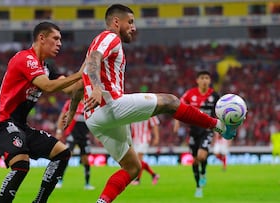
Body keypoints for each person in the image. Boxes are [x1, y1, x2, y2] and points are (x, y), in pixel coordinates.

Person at [64, 4, 238, 203]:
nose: (133, 27)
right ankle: (220, 126)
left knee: (133, 168)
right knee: (171, 101)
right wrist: (96, 87)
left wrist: (71, 112)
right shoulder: (109, 37)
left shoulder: (97, 45)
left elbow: (79, 81)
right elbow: (94, 60)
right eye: (130, 22)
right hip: (109, 105)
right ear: (116, 22)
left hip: (94, 118)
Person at [0, 22, 84, 203]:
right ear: (41, 38)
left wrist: (91, 77)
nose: (60, 43)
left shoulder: (47, 67)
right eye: (55, 38)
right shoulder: (25, 58)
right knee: (21, 164)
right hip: (2, 122)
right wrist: (81, 73)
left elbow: (70, 89)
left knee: (62, 153)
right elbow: (47, 86)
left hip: (20, 126)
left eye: (60, 40)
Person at [173, 70, 220, 198]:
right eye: (202, 78)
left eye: (207, 78)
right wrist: (177, 122)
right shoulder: (190, 94)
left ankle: (203, 172)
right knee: (194, 161)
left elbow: (221, 112)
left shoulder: (215, 96)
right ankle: (198, 187)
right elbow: (179, 107)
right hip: (193, 131)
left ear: (210, 81)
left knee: (202, 156)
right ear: (197, 80)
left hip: (207, 130)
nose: (205, 80)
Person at [54, 99, 95, 190]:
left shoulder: (90, 103)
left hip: (84, 136)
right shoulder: (70, 102)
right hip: (72, 134)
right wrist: (59, 131)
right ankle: (59, 180)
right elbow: (62, 116)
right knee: (67, 156)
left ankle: (87, 184)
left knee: (86, 160)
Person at [130, 116, 160, 185]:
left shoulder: (149, 110)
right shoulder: (133, 109)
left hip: (144, 138)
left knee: (139, 159)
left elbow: (155, 124)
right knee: (137, 160)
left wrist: (156, 137)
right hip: (135, 140)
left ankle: (137, 180)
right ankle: (154, 175)